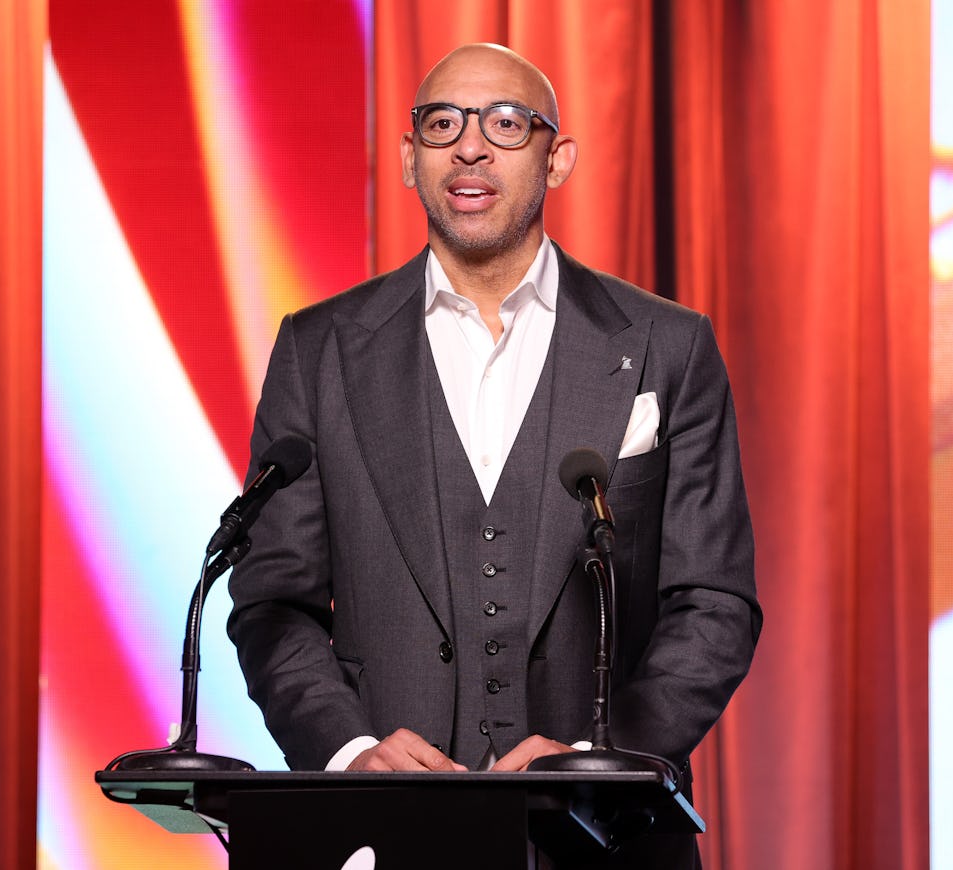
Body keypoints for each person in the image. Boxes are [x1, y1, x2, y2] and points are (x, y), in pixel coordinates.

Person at [228, 43, 761, 866]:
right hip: (382, 845)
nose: (470, 146)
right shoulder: (319, 349)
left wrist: (605, 758)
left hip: (607, 844)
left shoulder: (667, 345)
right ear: (409, 159)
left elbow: (714, 602)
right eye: (443, 123)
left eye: (507, 124)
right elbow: (273, 600)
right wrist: (347, 750)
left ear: (559, 158)